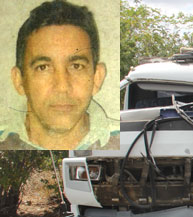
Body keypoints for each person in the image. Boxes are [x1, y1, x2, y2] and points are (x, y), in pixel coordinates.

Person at [0, 0, 119, 150]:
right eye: (43, 67)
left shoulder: (126, 140)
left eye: (76, 66)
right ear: (19, 81)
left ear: (97, 78)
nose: (62, 87)